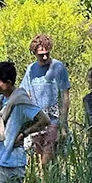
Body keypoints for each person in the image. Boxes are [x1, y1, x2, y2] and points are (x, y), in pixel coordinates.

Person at [0, 61, 50, 183]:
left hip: (12, 159)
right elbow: (7, 127)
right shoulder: (3, 100)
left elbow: (44, 120)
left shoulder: (20, 100)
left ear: (8, 83)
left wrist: (24, 133)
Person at [21, 34, 71, 169]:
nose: (44, 57)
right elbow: (25, 93)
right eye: (40, 54)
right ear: (34, 53)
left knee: (46, 160)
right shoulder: (31, 69)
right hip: (37, 120)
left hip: (53, 120)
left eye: (46, 54)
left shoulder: (58, 67)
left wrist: (63, 122)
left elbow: (65, 95)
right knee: (41, 159)